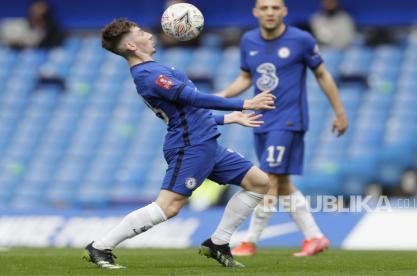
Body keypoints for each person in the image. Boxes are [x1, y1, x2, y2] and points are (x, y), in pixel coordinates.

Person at [83, 18, 277, 269]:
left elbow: (186, 112)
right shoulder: (148, 75)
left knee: (258, 182)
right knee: (169, 206)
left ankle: (217, 242)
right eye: (141, 32)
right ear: (131, 45)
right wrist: (244, 103)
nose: (150, 35)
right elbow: (192, 99)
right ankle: (100, 247)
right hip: (190, 146)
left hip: (205, 142)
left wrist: (228, 118)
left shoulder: (154, 68)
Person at [216, 0, 348, 257]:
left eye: (275, 7)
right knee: (283, 183)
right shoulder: (248, 41)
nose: (270, 12)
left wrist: (340, 112)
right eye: (264, 8)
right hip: (261, 121)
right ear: (255, 12)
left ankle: (250, 242)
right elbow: (246, 77)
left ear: (284, 11)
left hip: (288, 120)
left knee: (267, 179)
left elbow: (322, 74)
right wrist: (221, 97)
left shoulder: (301, 40)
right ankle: (315, 237)